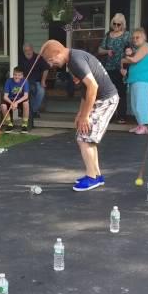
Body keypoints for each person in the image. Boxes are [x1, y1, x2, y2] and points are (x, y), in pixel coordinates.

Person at [40, 40, 118, 191]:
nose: (51, 65)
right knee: (86, 136)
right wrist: (80, 113)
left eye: (51, 60)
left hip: (106, 100)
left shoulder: (75, 60)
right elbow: (85, 90)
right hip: (101, 99)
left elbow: (93, 87)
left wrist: (85, 116)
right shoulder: (73, 60)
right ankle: (96, 175)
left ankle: (91, 178)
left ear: (58, 53)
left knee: (84, 138)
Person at [121, 28, 148, 135]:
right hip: (135, 80)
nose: (135, 39)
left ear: (144, 38)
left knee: (141, 103)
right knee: (135, 104)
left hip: (143, 80)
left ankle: (144, 127)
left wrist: (124, 57)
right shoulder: (138, 49)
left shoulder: (146, 46)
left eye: (137, 37)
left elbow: (134, 60)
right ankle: (140, 125)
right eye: (133, 38)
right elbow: (130, 61)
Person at [98, 13, 131, 124]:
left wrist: (127, 57)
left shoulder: (127, 35)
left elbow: (132, 49)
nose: (116, 26)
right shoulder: (108, 35)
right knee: (109, 92)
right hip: (109, 67)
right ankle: (109, 115)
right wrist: (107, 51)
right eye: (114, 24)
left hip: (121, 68)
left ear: (123, 24)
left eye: (119, 24)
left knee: (121, 92)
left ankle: (122, 116)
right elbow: (100, 50)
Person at [20, 42, 49, 120]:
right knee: (27, 92)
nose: (28, 52)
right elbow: (17, 71)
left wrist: (43, 81)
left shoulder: (38, 58)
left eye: (29, 50)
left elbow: (46, 69)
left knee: (41, 91)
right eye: (25, 51)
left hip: (37, 81)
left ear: (32, 49)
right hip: (25, 82)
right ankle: (30, 111)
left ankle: (32, 110)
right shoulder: (21, 59)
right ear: (23, 51)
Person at [1, 66, 30, 133]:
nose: (17, 77)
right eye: (15, 74)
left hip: (20, 100)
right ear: (13, 74)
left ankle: (24, 125)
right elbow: (5, 96)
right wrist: (12, 103)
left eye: (19, 75)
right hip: (10, 100)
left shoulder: (25, 81)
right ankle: (9, 124)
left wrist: (16, 103)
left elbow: (26, 96)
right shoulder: (8, 81)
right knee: (3, 106)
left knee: (26, 103)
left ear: (22, 75)